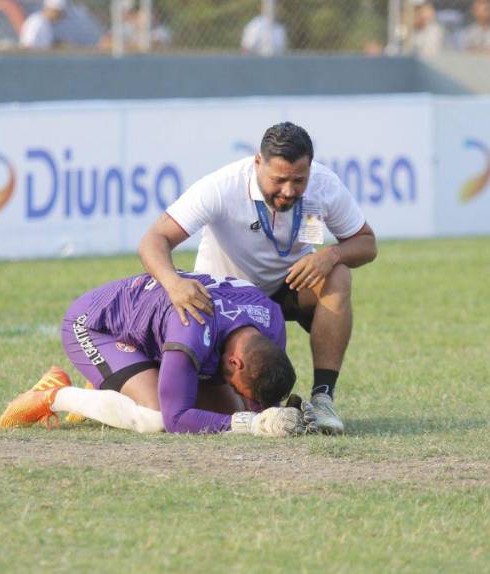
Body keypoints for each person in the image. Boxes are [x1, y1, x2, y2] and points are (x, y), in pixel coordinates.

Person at [138, 122, 378, 435]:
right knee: (218, 409)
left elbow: (366, 243)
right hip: (227, 303)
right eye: (279, 180)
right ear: (257, 163)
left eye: (298, 180)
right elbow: (154, 239)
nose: (289, 190)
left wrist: (330, 255)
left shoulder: (324, 185)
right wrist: (174, 284)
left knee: (338, 275)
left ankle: (322, 400)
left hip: (288, 285)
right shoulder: (222, 187)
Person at [0, 272, 310, 437]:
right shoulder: (192, 327)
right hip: (97, 325)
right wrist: (253, 425)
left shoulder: (271, 320)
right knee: (155, 416)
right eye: (243, 388)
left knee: (228, 413)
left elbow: (254, 398)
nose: (252, 402)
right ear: (235, 362)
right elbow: (176, 420)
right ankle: (54, 395)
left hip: (155, 332)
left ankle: (112, 381)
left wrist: (273, 413)